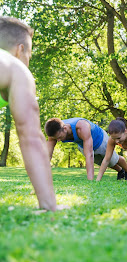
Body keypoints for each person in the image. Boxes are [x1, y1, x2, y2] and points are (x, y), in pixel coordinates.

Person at [0, 16, 61, 211]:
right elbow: (31, 138)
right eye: (30, 56)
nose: (28, 62)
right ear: (20, 49)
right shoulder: (15, 67)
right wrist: (49, 204)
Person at [45, 117, 127, 180]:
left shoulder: (81, 127)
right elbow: (47, 155)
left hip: (100, 140)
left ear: (64, 128)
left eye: (59, 137)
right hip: (83, 143)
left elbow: (89, 154)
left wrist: (90, 180)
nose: (58, 140)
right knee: (101, 162)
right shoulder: (54, 133)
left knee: (112, 159)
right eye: (56, 139)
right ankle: (121, 171)